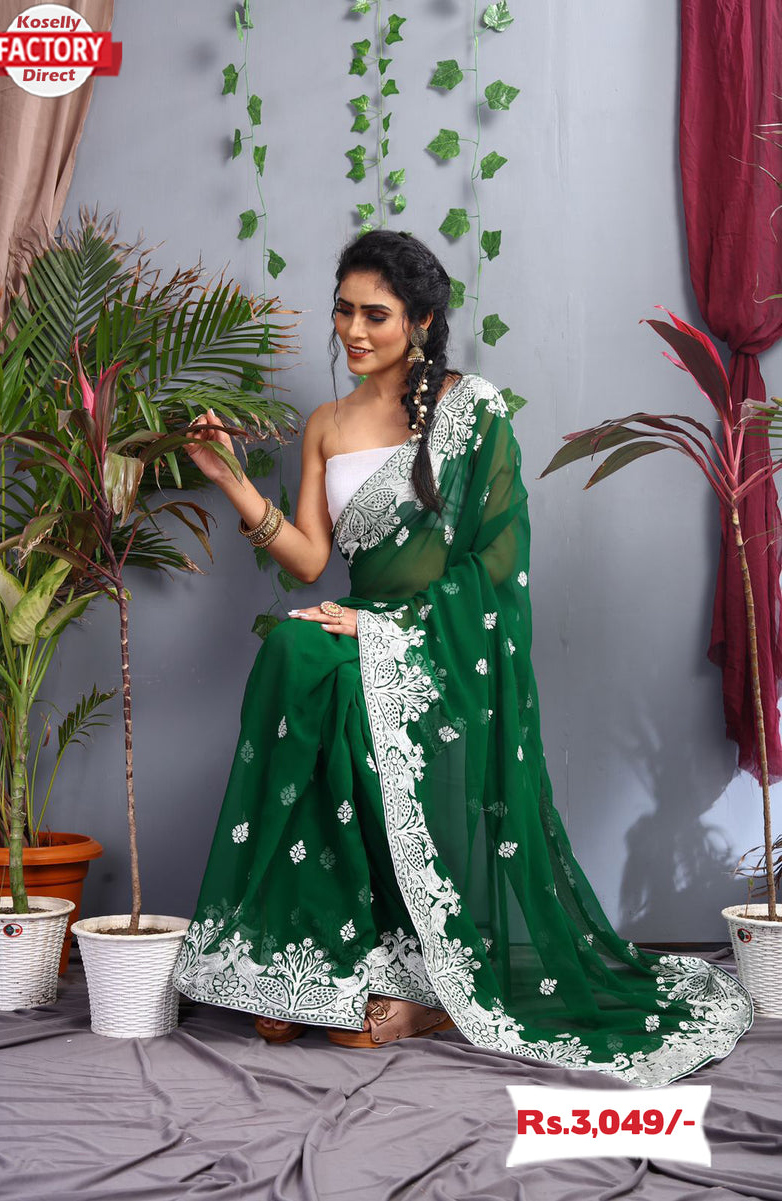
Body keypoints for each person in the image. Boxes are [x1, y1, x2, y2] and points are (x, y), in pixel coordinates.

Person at [173, 230, 752, 1082]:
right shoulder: (326, 425)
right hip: (355, 627)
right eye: (344, 309)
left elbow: (500, 564)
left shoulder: (471, 410)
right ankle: (315, 960)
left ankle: (423, 981)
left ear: (421, 321)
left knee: (316, 662)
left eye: (376, 314)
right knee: (292, 649)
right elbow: (308, 559)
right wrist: (230, 479)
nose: (353, 329)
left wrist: (388, 629)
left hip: (442, 648)